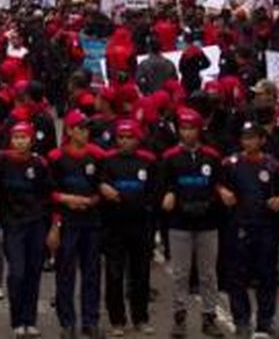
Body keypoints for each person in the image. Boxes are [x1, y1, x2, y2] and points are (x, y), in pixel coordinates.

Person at [159, 108, 225, 339]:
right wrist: (169, 194)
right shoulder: (169, 157)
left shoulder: (212, 156)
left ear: (199, 129)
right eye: (183, 128)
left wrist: (217, 197)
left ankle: (209, 317)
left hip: (207, 222)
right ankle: (179, 318)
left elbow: (218, 185)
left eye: (191, 128)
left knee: (208, 273)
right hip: (179, 223)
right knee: (180, 274)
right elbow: (163, 186)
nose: (187, 133)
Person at [219, 120, 279, 339]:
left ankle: (266, 320)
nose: (248, 142)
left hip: (266, 226)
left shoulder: (273, 166)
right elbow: (217, 184)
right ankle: (241, 320)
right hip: (238, 226)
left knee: (267, 274)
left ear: (262, 140)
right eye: (245, 138)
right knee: (236, 275)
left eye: (252, 137)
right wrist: (222, 191)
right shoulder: (230, 164)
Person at [0, 121, 51, 338]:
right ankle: (17, 321)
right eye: (16, 138)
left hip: (36, 224)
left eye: (24, 137)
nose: (20, 142)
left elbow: (47, 194)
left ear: (31, 139)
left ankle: (30, 320)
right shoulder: (1, 161)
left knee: (33, 273)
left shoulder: (39, 164)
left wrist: (51, 225)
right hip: (13, 226)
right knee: (17, 273)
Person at [48, 110, 104, 339]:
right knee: (65, 273)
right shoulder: (56, 158)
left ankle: (90, 320)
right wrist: (67, 200)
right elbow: (48, 192)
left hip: (91, 221)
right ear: (70, 131)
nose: (85, 132)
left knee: (92, 273)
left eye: (86, 128)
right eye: (80, 128)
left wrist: (91, 200)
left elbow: (103, 186)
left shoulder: (98, 156)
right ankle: (67, 321)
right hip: (66, 222)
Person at [99, 119, 156, 337]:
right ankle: (117, 320)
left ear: (137, 138)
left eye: (129, 137)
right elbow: (100, 184)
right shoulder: (108, 161)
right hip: (114, 227)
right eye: (121, 138)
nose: (124, 141)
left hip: (140, 226)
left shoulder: (148, 162)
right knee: (114, 274)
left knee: (140, 274)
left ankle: (141, 318)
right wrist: (104, 189)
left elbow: (154, 191)